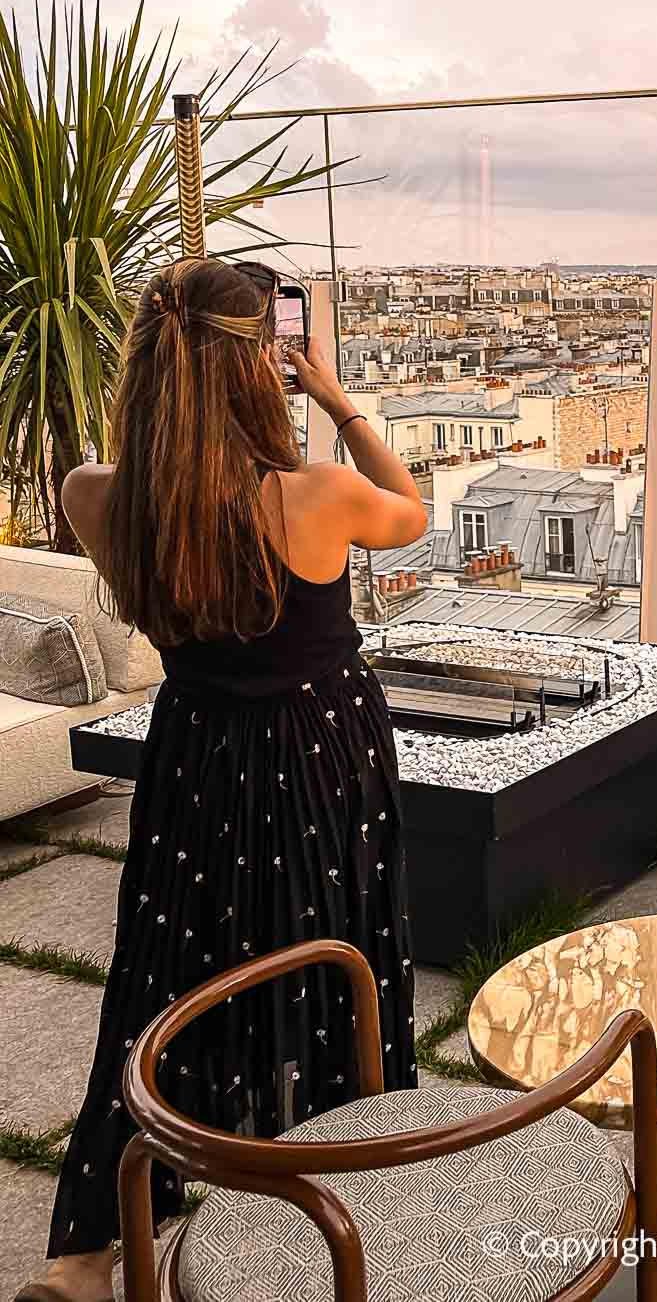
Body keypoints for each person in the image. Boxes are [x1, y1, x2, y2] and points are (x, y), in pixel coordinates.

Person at [20, 258, 428, 1302]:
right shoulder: (320, 495)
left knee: (165, 976)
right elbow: (411, 512)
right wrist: (336, 400)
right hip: (317, 755)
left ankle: (85, 1255)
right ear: (260, 371)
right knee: (332, 957)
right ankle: (334, 1198)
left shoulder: (93, 496)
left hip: (195, 754)